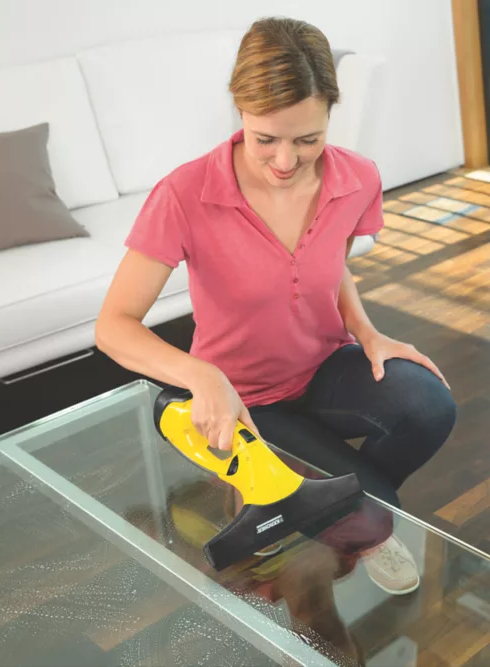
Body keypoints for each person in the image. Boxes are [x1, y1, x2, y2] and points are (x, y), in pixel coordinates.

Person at [96, 16, 457, 595]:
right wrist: (202, 376)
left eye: (308, 140)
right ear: (240, 110)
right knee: (375, 514)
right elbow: (114, 326)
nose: (286, 160)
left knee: (429, 406)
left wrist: (367, 331)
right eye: (266, 139)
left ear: (331, 113)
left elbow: (329, 263)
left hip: (323, 369)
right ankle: (343, 512)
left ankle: (317, 506)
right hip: (240, 399)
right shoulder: (184, 193)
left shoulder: (358, 178)